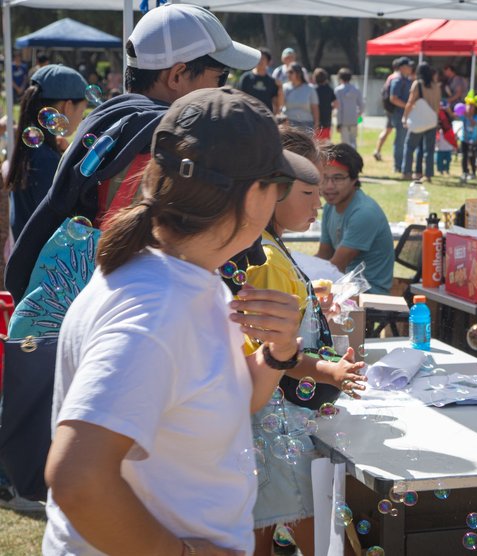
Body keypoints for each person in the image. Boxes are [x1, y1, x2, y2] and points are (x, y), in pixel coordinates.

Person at [42, 86, 327, 556]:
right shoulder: (156, 310)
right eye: (277, 186)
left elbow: (233, 398)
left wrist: (279, 353)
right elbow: (77, 479)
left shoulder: (191, 277)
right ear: (252, 196)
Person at [0, 3, 260, 505]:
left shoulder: (113, 119)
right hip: (134, 348)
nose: (226, 88)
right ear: (179, 74)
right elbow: (154, 259)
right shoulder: (156, 144)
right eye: (219, 74)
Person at [227, 126, 366, 556]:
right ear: (274, 191)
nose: (321, 200)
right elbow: (275, 353)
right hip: (274, 421)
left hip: (278, 420)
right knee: (305, 528)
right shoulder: (266, 256)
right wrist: (330, 370)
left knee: (267, 524)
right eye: (309, 191)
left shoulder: (271, 248)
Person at [3, 65, 88, 241]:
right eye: (83, 110)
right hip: (41, 263)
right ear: (67, 106)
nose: (82, 118)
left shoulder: (33, 151)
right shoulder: (45, 160)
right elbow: (59, 223)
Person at [316, 144, 394, 295]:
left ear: (354, 179)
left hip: (369, 292)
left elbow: (336, 266)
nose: (329, 186)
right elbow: (323, 255)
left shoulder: (364, 213)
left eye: (337, 178)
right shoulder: (329, 208)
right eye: (323, 178)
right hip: (344, 284)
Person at [402, 62, 442, 181]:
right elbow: (438, 104)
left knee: (409, 147)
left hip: (419, 121)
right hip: (432, 120)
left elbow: (410, 102)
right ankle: (428, 175)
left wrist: (405, 116)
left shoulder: (418, 84)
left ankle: (406, 172)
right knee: (429, 150)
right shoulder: (436, 86)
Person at [371, 58, 406, 162]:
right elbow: (393, 97)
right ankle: (381, 152)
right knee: (397, 132)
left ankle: (377, 150)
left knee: (387, 130)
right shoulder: (397, 78)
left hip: (389, 108)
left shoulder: (390, 77)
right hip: (395, 109)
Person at [388, 58, 414, 174]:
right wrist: (408, 106)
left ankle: (402, 164)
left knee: (404, 140)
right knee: (400, 141)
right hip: (399, 114)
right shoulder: (398, 80)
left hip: (405, 113)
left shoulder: (405, 79)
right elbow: (393, 98)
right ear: (402, 67)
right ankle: (398, 165)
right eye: (409, 66)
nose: (411, 68)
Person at [237, 47, 282, 114]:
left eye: (263, 59)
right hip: (248, 116)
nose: (260, 61)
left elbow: (276, 103)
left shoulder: (272, 81)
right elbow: (239, 98)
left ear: (268, 62)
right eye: (258, 58)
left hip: (266, 118)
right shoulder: (246, 78)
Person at [281, 63, 319, 131]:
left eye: (291, 72)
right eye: (287, 72)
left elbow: (315, 108)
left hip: (306, 124)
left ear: (298, 73)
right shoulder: (284, 88)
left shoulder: (310, 89)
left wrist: (316, 124)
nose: (288, 74)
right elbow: (280, 105)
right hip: (289, 124)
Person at [334, 67, 363, 149]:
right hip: (354, 118)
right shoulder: (356, 89)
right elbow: (362, 105)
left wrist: (338, 122)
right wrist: (358, 115)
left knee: (345, 142)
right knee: (353, 140)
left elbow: (339, 108)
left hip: (343, 119)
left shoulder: (338, 90)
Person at [458, 100, 477, 182]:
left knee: (472, 157)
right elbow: (455, 116)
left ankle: (473, 173)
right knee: (464, 157)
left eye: (472, 106)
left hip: (473, 140)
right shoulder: (464, 116)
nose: (469, 108)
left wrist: (469, 116)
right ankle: (464, 172)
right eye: (468, 106)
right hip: (464, 139)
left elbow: (473, 123)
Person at [312, 68, 337, 142]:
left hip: (314, 119)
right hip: (327, 119)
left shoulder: (313, 90)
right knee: (325, 142)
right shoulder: (329, 89)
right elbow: (336, 103)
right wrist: (330, 108)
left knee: (315, 141)